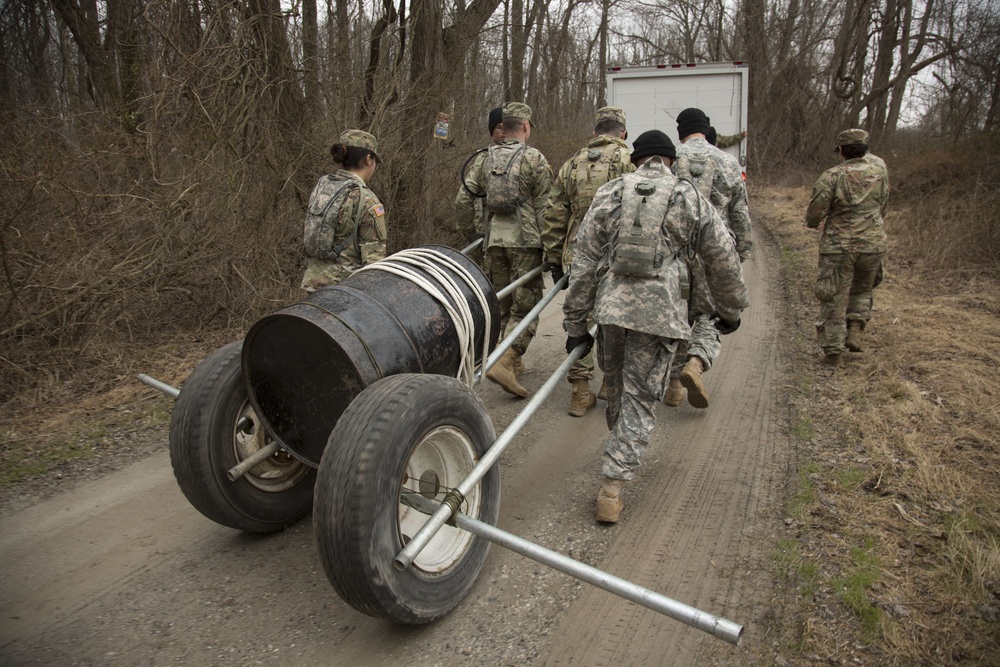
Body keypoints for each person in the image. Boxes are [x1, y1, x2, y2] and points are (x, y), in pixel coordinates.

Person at [562, 129, 749, 523]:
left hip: (610, 310)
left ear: (636, 161)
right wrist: (730, 309)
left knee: (616, 389)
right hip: (660, 314)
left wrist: (575, 322)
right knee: (641, 397)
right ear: (671, 160)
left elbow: (582, 261)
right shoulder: (688, 196)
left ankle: (618, 450)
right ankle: (612, 486)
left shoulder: (611, 193)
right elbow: (722, 258)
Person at [541, 106, 635, 416]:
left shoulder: (570, 165)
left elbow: (554, 214)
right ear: (623, 133)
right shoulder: (629, 163)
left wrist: (555, 258)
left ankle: (579, 391)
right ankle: (610, 382)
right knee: (615, 318)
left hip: (578, 254)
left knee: (579, 319)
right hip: (617, 257)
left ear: (594, 133)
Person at [456, 102, 553, 397]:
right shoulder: (534, 159)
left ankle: (509, 363)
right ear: (525, 127)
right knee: (527, 306)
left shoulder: (483, 159)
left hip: (493, 241)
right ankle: (504, 360)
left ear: (504, 126)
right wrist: (552, 248)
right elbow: (547, 209)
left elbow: (463, 200)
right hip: (525, 242)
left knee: (504, 305)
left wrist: (475, 234)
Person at [662, 107, 753, 410]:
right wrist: (740, 254)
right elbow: (740, 214)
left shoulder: (670, 158)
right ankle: (695, 364)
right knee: (708, 314)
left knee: (675, 313)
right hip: (714, 252)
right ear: (706, 128)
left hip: (674, 251)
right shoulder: (728, 162)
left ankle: (674, 384)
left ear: (680, 131)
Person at [805, 128, 889, 365]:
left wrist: (817, 222)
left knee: (833, 295)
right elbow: (884, 207)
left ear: (841, 151)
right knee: (863, 289)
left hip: (838, 246)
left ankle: (833, 352)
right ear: (865, 149)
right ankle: (855, 327)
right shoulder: (880, 173)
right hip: (872, 244)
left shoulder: (832, 176)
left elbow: (814, 215)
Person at [301, 130, 387, 292]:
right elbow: (374, 261)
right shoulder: (367, 199)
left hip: (313, 283)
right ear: (368, 159)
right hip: (345, 290)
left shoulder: (323, 187)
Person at [458, 107, 506, 269]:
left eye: (508, 126)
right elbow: (463, 199)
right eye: (499, 127)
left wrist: (470, 233)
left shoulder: (483, 159)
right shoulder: (483, 159)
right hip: (493, 238)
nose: (504, 131)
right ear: (491, 130)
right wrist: (472, 233)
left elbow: (462, 200)